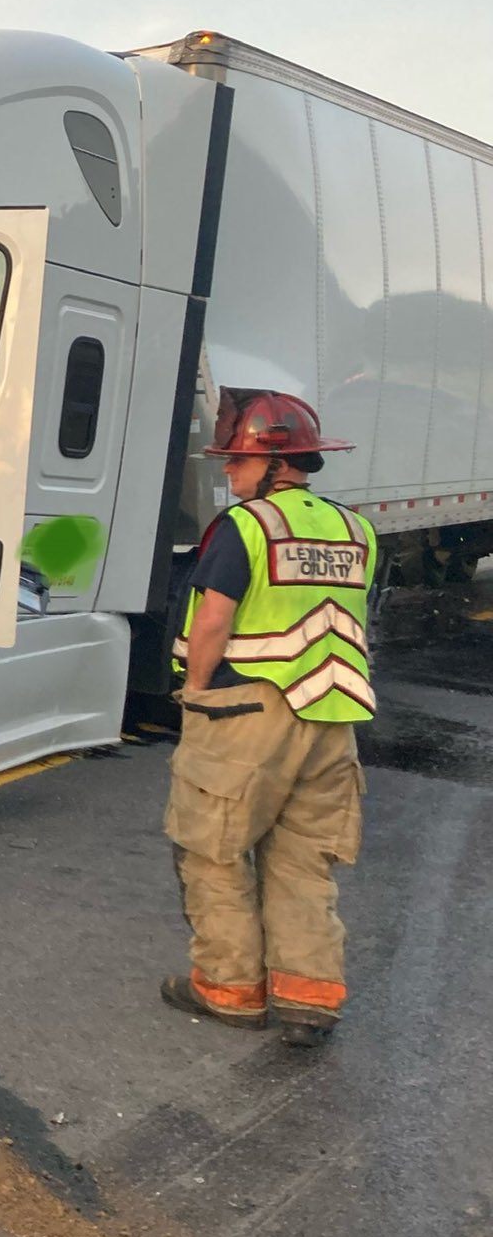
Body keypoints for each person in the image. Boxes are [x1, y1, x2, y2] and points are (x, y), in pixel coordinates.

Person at [162, 389, 375, 1048]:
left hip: (249, 712)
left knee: (213, 845)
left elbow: (217, 618)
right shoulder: (353, 528)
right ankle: (309, 998)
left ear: (275, 463)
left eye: (238, 463)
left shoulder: (247, 527)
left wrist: (195, 693)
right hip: (333, 718)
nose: (229, 474)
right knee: (302, 858)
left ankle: (229, 989)